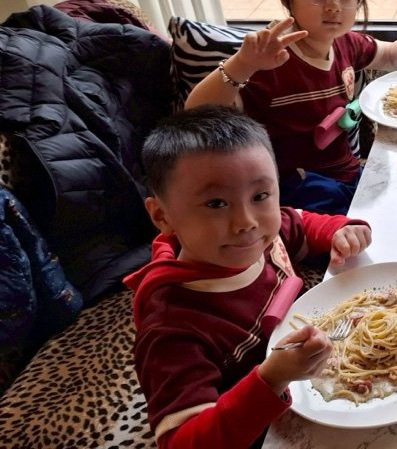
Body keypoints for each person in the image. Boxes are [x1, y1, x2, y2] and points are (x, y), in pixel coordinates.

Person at [124, 105, 372, 448]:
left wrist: (341, 231)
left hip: (317, 378)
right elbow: (183, 442)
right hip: (257, 427)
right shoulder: (170, 332)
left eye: (259, 196)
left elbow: (300, 223)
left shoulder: (263, 237)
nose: (246, 222)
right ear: (162, 216)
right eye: (216, 204)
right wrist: (272, 377)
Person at [185, 0, 397, 215]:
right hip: (297, 189)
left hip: (347, 173)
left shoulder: (346, 42)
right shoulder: (270, 58)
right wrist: (242, 64)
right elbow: (196, 113)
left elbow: (389, 54)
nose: (334, 5)